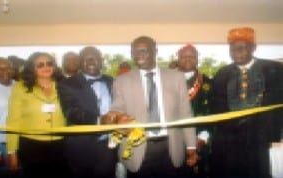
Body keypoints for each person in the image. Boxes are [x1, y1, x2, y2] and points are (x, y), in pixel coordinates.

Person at [102, 36, 198, 178]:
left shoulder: (176, 77)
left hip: (171, 148)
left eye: (143, 51)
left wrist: (191, 146)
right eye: (134, 51)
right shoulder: (122, 80)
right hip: (137, 149)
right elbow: (117, 108)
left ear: (155, 52)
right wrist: (116, 118)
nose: (138, 55)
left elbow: (185, 113)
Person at [210, 27, 283, 178]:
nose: (236, 52)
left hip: (262, 138)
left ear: (253, 48)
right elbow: (215, 107)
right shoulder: (222, 73)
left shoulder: (274, 69)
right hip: (228, 139)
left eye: (242, 48)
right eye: (232, 49)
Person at [58, 46, 117, 178]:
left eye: (95, 58)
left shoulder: (112, 81)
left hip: (108, 145)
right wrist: (99, 120)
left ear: (101, 62)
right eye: (86, 59)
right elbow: (71, 112)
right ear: (79, 62)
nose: (91, 61)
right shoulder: (67, 84)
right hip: (81, 147)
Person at [6, 52, 68, 178]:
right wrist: (12, 152)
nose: (46, 67)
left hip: (60, 145)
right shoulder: (20, 87)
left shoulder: (64, 85)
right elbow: (13, 120)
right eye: (40, 65)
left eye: (49, 63)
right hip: (31, 146)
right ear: (32, 68)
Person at [177, 44, 213, 177]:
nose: (188, 59)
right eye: (184, 56)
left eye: (192, 56)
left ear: (198, 59)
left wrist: (201, 139)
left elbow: (213, 113)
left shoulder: (210, 83)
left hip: (201, 141)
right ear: (178, 59)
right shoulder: (166, 82)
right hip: (172, 142)